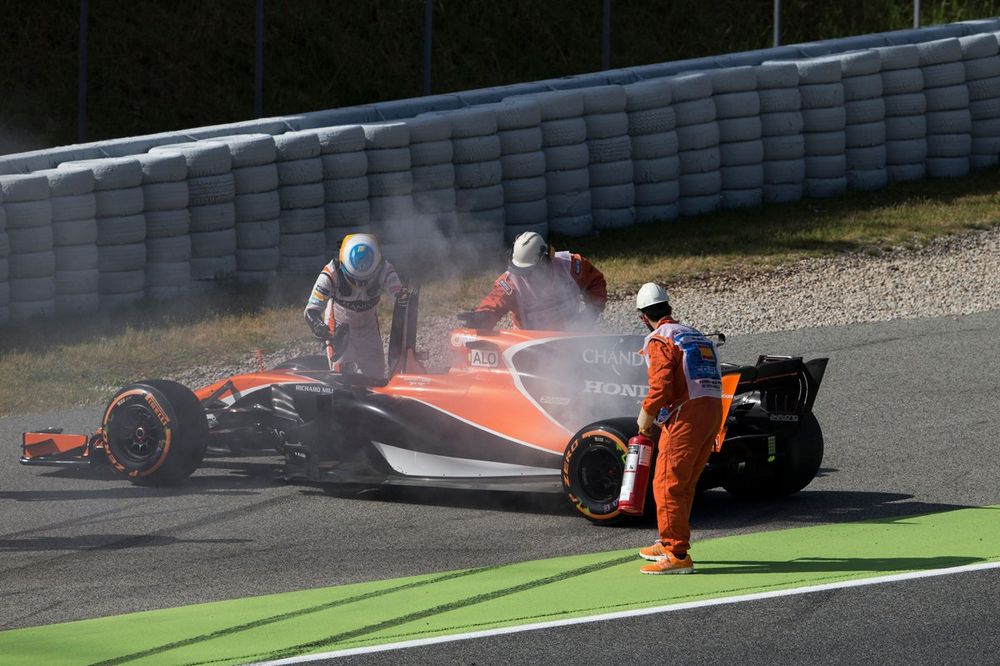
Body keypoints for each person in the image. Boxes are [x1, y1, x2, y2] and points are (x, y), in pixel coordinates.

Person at [634, 282, 723, 575]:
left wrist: (646, 413)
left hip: (686, 416)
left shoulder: (660, 339)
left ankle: (677, 553)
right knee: (684, 484)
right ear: (668, 308)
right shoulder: (694, 334)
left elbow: (661, 384)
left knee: (666, 483)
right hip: (713, 412)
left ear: (642, 316)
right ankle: (668, 538)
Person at [461, 231, 607, 330]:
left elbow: (596, 282)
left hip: (569, 339)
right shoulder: (511, 283)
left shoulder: (572, 265)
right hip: (528, 346)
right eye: (521, 271)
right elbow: (494, 303)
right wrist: (483, 316)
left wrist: (591, 312)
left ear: (545, 261)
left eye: (529, 271)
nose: (524, 276)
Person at [304, 233, 402, 378]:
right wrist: (321, 329)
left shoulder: (385, 270)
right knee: (340, 379)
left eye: (366, 280)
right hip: (339, 329)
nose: (359, 285)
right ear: (343, 265)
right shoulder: (331, 272)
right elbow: (311, 311)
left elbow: (401, 301)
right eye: (354, 279)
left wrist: (404, 301)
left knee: (377, 377)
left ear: (377, 265)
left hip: (369, 329)